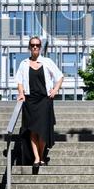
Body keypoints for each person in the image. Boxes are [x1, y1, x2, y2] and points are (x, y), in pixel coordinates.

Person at [14, 36, 63, 166]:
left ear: (40, 47)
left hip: (44, 101)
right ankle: (37, 158)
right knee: (33, 130)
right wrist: (21, 93)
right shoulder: (24, 63)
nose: (35, 47)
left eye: (37, 45)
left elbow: (59, 76)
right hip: (30, 101)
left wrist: (55, 90)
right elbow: (19, 81)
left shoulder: (47, 62)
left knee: (42, 131)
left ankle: (41, 156)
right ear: (29, 47)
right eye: (32, 45)